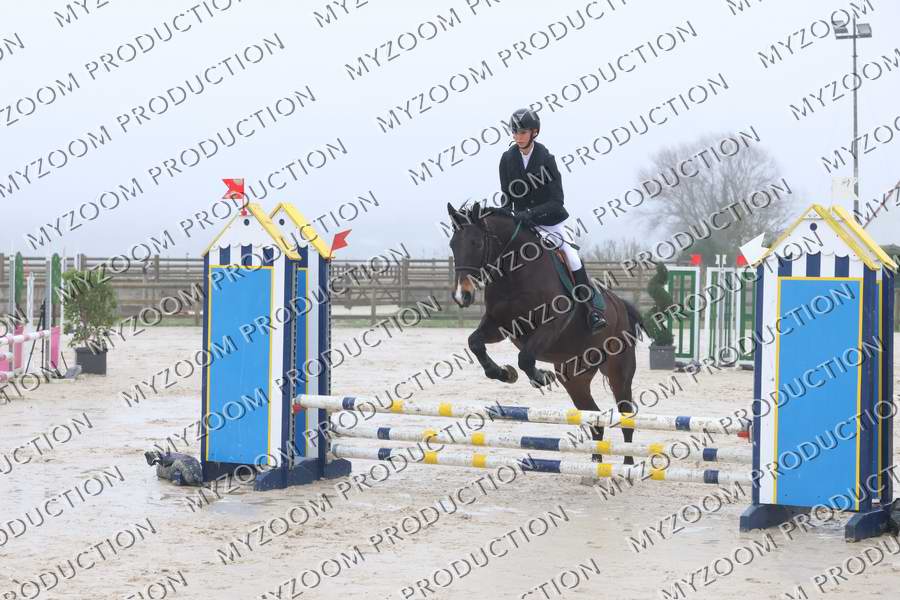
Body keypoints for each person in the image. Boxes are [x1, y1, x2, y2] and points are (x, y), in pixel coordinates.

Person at [498, 108, 606, 331]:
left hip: (551, 222)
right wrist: (505, 214)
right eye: (515, 132)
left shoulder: (546, 159)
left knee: (572, 257)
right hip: (523, 223)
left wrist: (530, 213)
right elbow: (507, 196)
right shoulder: (507, 159)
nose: (518, 136)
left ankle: (591, 311)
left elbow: (557, 201)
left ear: (534, 132)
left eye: (522, 132)